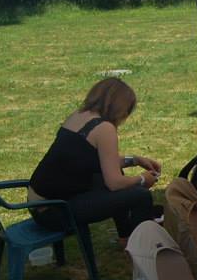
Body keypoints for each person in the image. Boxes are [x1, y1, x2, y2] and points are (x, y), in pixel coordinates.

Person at [27, 78, 159, 247]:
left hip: (40, 204)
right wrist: (142, 180)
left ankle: (126, 238)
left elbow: (96, 161)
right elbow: (114, 183)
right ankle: (141, 249)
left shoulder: (79, 116)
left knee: (109, 178)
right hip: (56, 212)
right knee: (140, 196)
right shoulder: (105, 129)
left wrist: (135, 160)